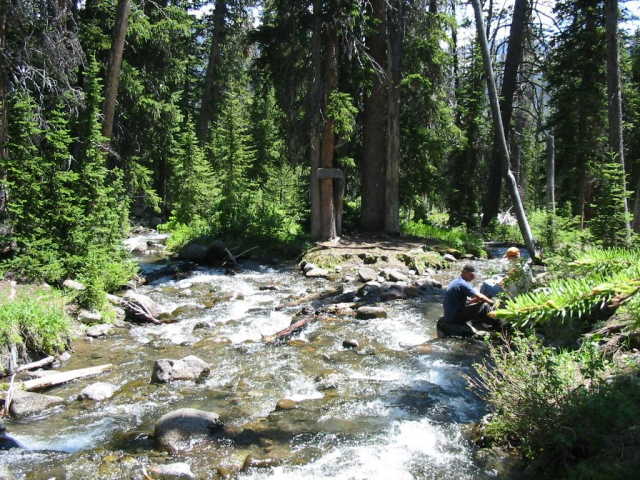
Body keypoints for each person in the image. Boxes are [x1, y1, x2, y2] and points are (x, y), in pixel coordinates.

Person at [438, 264, 501, 337]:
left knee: (480, 303)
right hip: (455, 317)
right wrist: (492, 303)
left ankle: (480, 323)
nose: (473, 277)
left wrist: (476, 301)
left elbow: (470, 300)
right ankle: (497, 326)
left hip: (450, 315)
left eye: (474, 275)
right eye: (471, 275)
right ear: (464, 272)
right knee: (484, 306)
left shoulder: (456, 281)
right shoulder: (462, 284)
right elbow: (480, 297)